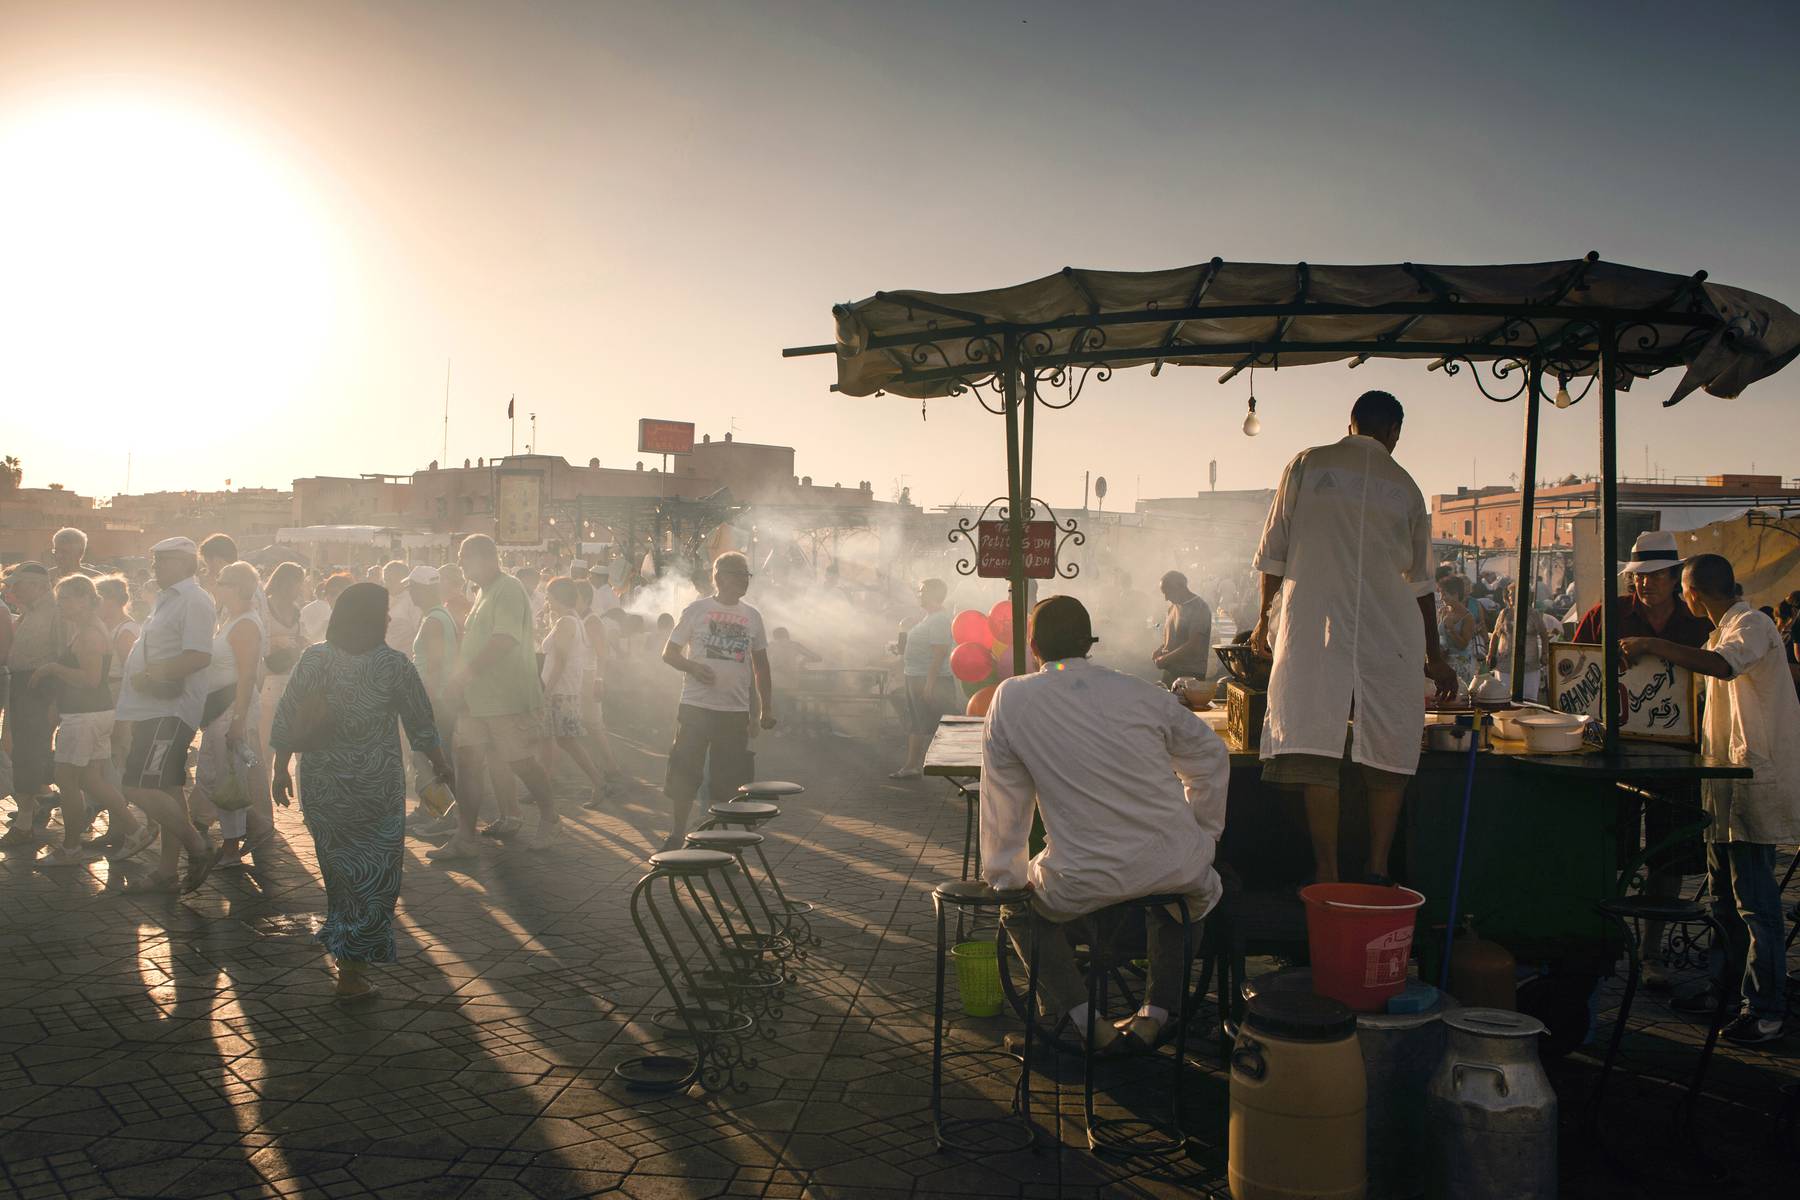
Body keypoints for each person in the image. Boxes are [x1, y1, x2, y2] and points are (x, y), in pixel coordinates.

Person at [984, 596, 1229, 1049]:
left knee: (1017, 907)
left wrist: (1006, 878)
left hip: (1083, 879)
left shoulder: (1011, 698)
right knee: (1188, 896)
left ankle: (1082, 1023)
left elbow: (1005, 802)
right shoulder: (1141, 692)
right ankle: (1156, 1014)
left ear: (1034, 645)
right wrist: (1203, 834)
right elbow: (1210, 755)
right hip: (1175, 865)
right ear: (1088, 643)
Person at [1248, 390, 1457, 886]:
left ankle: (1326, 870)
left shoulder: (1306, 464)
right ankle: (1379, 867)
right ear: (1394, 433)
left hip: (1313, 626)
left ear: (1351, 423)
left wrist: (1263, 618)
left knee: (1315, 743)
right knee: (1390, 738)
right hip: (1391, 630)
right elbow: (1423, 584)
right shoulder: (1405, 485)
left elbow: (1273, 552)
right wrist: (1435, 654)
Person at [1621, 554, 1800, 1044]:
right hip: (1723, 783)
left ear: (1693, 593)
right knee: (1722, 900)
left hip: (1752, 780)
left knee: (1756, 903)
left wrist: (1653, 642)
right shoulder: (1720, 630)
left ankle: (1765, 1009)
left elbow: (1721, 668)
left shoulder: (1752, 624)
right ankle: (1724, 988)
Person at [271, 583, 451, 1003]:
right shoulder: (394, 665)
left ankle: (346, 951)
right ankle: (353, 967)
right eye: (385, 611)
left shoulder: (315, 657)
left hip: (323, 784)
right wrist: (443, 765)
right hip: (377, 788)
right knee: (376, 875)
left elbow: (287, 716)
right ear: (372, 617)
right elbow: (421, 724)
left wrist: (280, 768)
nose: (389, 618)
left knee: (339, 873)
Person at [1573, 530, 1716, 986]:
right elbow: (1574, 667)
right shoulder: (1607, 614)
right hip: (1611, 752)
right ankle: (1601, 944)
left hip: (1676, 755)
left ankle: (1651, 953)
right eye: (1638, 576)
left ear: (1676, 577)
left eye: (1655, 575)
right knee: (1602, 847)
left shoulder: (1699, 623)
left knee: (1669, 854)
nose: (1644, 584)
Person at [431, 534, 560, 859]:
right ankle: (465, 837)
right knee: (467, 762)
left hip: (506, 697)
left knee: (520, 762)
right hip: (477, 700)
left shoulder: (509, 588)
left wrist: (464, 674)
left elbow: (504, 640)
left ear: (484, 557)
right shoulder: (482, 593)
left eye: (464, 558)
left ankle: (551, 817)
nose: (461, 565)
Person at [112, 537, 222, 892]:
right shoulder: (169, 599)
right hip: (152, 708)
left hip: (168, 710)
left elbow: (198, 655)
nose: (155, 567)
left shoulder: (193, 600)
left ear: (184, 563)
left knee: (136, 785)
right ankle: (166, 870)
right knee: (169, 790)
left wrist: (151, 675)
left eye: (162, 561)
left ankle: (198, 846)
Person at [661, 552, 775, 849]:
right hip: (696, 706)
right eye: (738, 574)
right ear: (720, 576)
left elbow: (760, 665)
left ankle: (717, 839)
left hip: (734, 710)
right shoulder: (697, 610)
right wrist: (694, 667)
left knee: (727, 779)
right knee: (685, 772)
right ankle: (676, 834)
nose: (744, 580)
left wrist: (763, 708)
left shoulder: (753, 616)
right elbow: (669, 653)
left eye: (747, 575)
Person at [33, 574, 143, 865]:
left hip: (85, 716)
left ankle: (71, 848)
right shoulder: (86, 629)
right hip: (90, 714)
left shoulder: (91, 634)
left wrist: (53, 668)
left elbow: (92, 679)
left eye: (66, 599)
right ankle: (135, 829)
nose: (61, 605)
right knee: (91, 780)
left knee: (66, 780)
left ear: (85, 599)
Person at [189, 562, 269, 869]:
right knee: (212, 774)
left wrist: (237, 719)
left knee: (227, 776)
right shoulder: (231, 619)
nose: (215, 585)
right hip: (222, 707)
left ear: (234, 586)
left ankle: (233, 844)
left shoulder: (246, 623)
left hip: (234, 708)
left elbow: (248, 675)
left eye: (220, 581)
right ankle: (252, 824)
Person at [540, 576, 614, 803]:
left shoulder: (566, 623)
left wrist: (546, 691)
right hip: (564, 689)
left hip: (559, 690)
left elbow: (560, 661)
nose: (546, 600)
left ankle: (598, 782)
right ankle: (594, 782)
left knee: (565, 741)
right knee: (561, 740)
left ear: (557, 597)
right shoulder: (572, 620)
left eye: (549, 596)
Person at [2, 562, 61, 845]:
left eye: (18, 584)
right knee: (21, 751)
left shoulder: (54, 613)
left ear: (37, 585)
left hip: (39, 688)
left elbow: (61, 656)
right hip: (24, 686)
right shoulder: (31, 611)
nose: (12, 590)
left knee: (29, 753)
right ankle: (33, 807)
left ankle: (27, 821)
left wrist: (55, 702)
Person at [890, 578, 954, 779]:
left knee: (943, 724)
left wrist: (930, 684)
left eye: (922, 591)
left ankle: (965, 769)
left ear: (934, 593)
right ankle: (911, 766)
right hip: (916, 677)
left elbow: (940, 652)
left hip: (930, 679)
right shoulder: (929, 617)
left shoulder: (940, 619)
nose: (919, 594)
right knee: (917, 722)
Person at [1152, 570, 1213, 686]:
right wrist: (1160, 650)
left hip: (1189, 674)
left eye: (1167, 592)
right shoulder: (1172, 608)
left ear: (1180, 587)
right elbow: (1172, 639)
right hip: (1170, 670)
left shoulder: (1199, 608)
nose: (1165, 598)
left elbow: (1194, 645)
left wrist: (1165, 659)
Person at [1436, 574, 1482, 687]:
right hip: (1444, 661)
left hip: (1460, 665)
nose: (1441, 598)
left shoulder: (1467, 617)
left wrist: (1452, 630)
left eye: (1444, 594)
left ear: (1455, 594)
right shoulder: (1443, 611)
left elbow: (1463, 645)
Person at [300, 571, 353, 644]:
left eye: (333, 593)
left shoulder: (355, 620)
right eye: (326, 593)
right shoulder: (332, 619)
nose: (328, 597)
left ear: (347, 594)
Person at [382, 560, 421, 654]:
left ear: (404, 580)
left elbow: (418, 633)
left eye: (391, 580)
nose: (387, 585)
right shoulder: (383, 599)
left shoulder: (413, 601)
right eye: (385, 580)